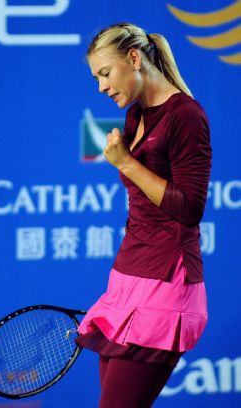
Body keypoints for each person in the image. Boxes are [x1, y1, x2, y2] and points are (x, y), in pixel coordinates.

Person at [76, 23, 212, 407]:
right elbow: (143, 204)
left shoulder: (186, 115)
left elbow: (189, 208)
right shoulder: (136, 116)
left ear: (133, 58)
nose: (101, 87)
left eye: (105, 73)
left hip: (166, 284)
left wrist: (125, 163)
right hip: (128, 277)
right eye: (96, 77)